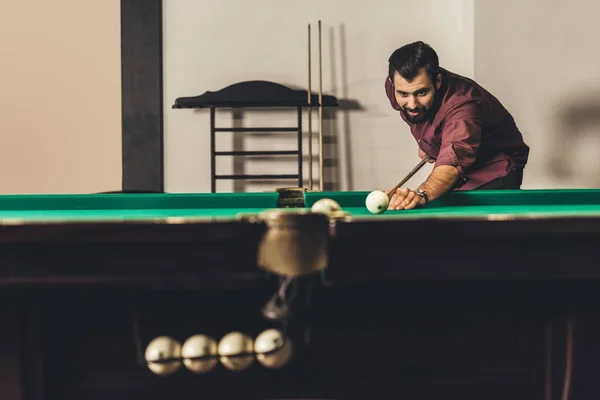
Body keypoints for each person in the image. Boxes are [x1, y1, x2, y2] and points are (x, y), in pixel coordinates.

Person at [384, 41, 530, 210]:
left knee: (466, 229)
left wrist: (421, 194)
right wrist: (429, 142)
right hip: (462, 171)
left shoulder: (463, 107)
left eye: (421, 93)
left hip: (495, 170)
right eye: (403, 94)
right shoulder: (394, 86)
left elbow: (452, 165)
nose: (412, 104)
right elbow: (419, 116)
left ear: (437, 81)